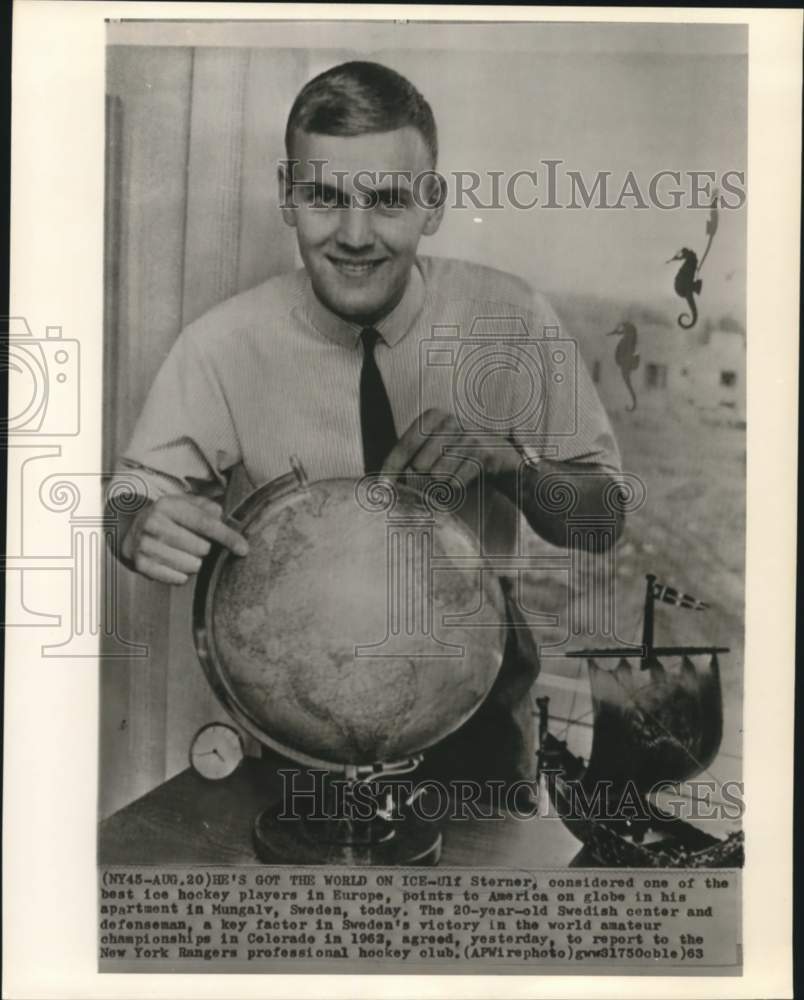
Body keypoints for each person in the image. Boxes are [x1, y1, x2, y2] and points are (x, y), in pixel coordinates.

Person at [112, 60, 623, 799]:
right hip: (297, 737)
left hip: (477, 735)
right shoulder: (220, 345)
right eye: (324, 197)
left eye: (387, 200)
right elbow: (131, 495)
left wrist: (508, 463)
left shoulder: (514, 319)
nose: (354, 235)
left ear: (434, 204)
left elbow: (604, 516)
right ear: (289, 198)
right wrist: (133, 525)